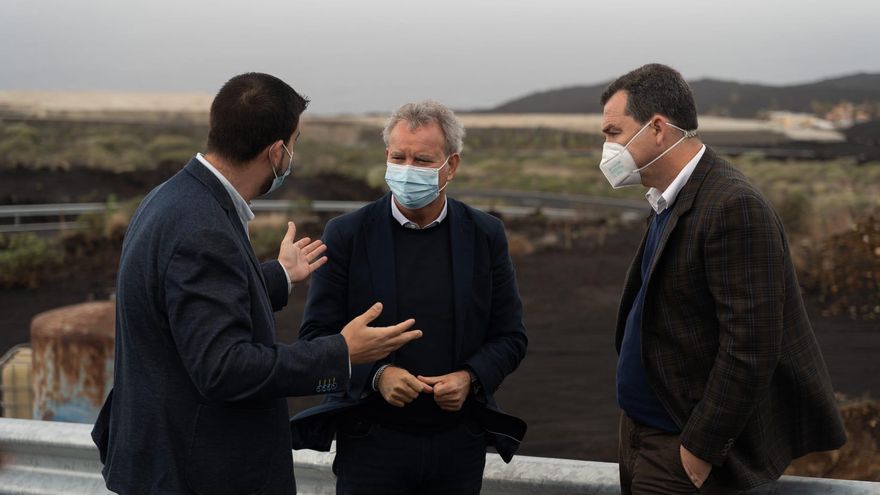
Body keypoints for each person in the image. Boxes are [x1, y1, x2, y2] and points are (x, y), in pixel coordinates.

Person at [90, 72, 422, 495]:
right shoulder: (202, 228)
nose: (293, 155)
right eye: (295, 142)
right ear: (277, 151)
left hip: (165, 462)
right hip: (197, 474)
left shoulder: (173, 198)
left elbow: (186, 304)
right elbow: (224, 369)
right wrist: (341, 352)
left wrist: (279, 275)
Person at [599, 63, 847, 494]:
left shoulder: (733, 205)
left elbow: (751, 345)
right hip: (643, 434)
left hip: (680, 450)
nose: (606, 148)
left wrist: (701, 447)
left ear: (657, 128)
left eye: (614, 133)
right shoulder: (668, 199)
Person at [290, 100, 528, 495]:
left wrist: (469, 377)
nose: (407, 169)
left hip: (457, 447)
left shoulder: (485, 235)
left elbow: (511, 336)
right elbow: (316, 336)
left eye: (422, 160)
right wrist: (377, 376)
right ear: (386, 158)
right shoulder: (348, 234)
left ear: (450, 165)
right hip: (371, 444)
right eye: (398, 157)